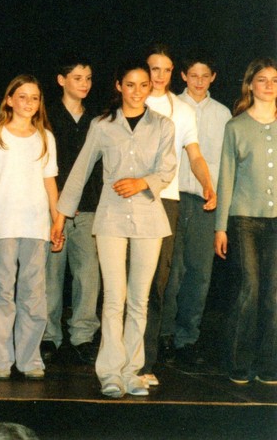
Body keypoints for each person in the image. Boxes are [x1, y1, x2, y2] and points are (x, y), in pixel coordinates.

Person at [52, 58, 176, 398]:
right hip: (110, 218)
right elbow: (80, 171)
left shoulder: (163, 125)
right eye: (130, 85)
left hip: (149, 218)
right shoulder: (102, 125)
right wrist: (61, 216)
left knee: (139, 299)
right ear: (119, 86)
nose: (137, 91)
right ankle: (109, 373)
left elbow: (167, 169)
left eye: (144, 85)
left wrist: (142, 182)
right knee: (113, 298)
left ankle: (132, 371)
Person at [140, 43, 216, 387]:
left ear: (174, 73)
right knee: (125, 284)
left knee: (158, 281)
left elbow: (195, 155)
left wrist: (208, 184)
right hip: (127, 200)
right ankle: (118, 355)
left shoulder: (181, 111)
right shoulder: (133, 101)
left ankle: (146, 360)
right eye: (154, 68)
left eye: (166, 70)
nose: (159, 76)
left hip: (165, 201)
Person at [0, 75, 59, 381]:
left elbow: (50, 182)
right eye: (22, 96)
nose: (29, 103)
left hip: (37, 227)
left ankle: (29, 358)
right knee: (1, 293)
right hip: (4, 226)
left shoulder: (45, 138)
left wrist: (57, 220)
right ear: (9, 100)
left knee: (34, 295)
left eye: (34, 98)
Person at [160, 53, 231, 366]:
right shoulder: (171, 106)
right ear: (183, 76)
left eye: (205, 75)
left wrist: (218, 200)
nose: (199, 81)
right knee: (170, 270)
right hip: (173, 198)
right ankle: (163, 335)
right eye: (193, 75)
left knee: (199, 272)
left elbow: (225, 164)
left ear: (213, 77)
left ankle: (187, 338)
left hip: (206, 201)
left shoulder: (223, 114)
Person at [214, 57, 277, 385]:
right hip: (244, 220)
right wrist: (220, 227)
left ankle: (269, 364)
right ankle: (238, 361)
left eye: (275, 80)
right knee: (249, 288)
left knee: (274, 293)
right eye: (262, 79)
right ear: (250, 84)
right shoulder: (235, 127)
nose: (269, 86)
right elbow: (226, 177)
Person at [40, 55, 102, 365]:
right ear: (61, 80)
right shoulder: (46, 117)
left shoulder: (98, 120)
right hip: (53, 210)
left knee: (88, 276)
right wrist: (57, 204)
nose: (84, 84)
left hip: (88, 208)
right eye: (77, 78)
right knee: (51, 275)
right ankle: (48, 336)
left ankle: (83, 336)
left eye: (88, 78)